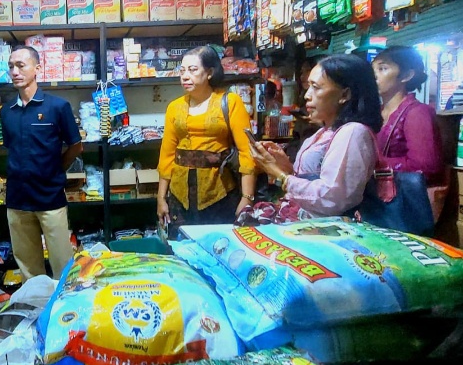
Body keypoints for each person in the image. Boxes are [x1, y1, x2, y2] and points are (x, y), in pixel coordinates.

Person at [237, 54, 383, 224]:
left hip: (325, 231)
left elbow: (332, 199)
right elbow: (313, 183)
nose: (307, 95)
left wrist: (280, 174)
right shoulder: (324, 132)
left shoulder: (353, 132)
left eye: (316, 87)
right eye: (308, 87)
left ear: (345, 94)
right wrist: (284, 166)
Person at [157, 45, 257, 240]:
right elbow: (167, 155)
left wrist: (247, 198)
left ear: (210, 72)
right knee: (181, 248)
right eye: (182, 71)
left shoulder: (230, 102)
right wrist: (161, 198)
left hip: (219, 194)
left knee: (219, 246)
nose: (185, 76)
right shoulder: (174, 108)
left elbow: (247, 153)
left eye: (193, 70)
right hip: (179, 196)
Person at [0, 45, 83, 281]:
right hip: (17, 199)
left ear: (37, 68)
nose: (15, 71)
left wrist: (56, 169)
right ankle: (35, 301)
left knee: (62, 265)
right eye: (11, 66)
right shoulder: (6, 111)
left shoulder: (57, 107)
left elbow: (76, 146)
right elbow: (12, 148)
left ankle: (63, 302)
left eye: (20, 65)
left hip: (50, 197)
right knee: (29, 268)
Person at [372, 45, 447, 222]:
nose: (374, 75)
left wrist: (371, 164)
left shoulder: (417, 113)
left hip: (402, 207)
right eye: (373, 69)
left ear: (406, 75)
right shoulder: (374, 113)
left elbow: (426, 166)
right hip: (376, 201)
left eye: (383, 68)